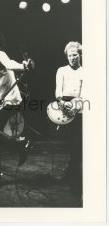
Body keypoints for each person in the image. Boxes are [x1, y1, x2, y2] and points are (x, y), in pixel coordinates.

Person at [0, 29, 33, 190]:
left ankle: (20, 144)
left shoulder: (0, 55)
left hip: (11, 101)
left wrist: (24, 66)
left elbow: (11, 64)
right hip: (0, 102)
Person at [55, 41, 83, 201]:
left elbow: (84, 93)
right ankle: (70, 172)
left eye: (75, 55)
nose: (72, 58)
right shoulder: (61, 70)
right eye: (70, 55)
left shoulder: (85, 71)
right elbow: (58, 91)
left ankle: (75, 186)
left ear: (80, 55)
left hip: (79, 108)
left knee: (77, 149)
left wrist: (76, 108)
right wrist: (62, 103)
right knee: (72, 147)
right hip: (64, 108)